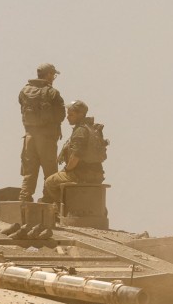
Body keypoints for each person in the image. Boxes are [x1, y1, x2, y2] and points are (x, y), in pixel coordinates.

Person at [42, 100, 107, 204]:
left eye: (71, 114)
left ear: (80, 115)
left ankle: (62, 208)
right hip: (97, 173)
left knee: (49, 182)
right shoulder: (92, 129)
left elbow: (75, 157)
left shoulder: (80, 131)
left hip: (81, 174)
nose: (67, 117)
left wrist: (66, 170)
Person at [18, 63, 65, 202]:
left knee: (29, 171)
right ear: (49, 74)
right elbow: (61, 115)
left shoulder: (24, 91)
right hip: (47, 138)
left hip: (29, 137)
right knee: (50, 171)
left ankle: (25, 198)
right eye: (53, 74)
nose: (54, 78)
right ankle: (48, 199)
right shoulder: (52, 92)